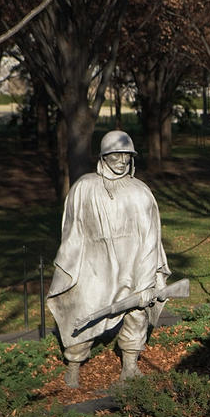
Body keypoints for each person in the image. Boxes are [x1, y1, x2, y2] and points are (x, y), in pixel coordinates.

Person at [47, 130, 170, 388]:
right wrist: (71, 266)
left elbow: (150, 240)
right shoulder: (84, 188)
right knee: (83, 311)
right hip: (94, 267)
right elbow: (72, 232)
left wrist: (146, 281)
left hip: (132, 268)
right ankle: (73, 364)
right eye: (116, 154)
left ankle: (130, 366)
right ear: (104, 157)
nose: (122, 160)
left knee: (137, 314)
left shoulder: (140, 192)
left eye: (127, 154)